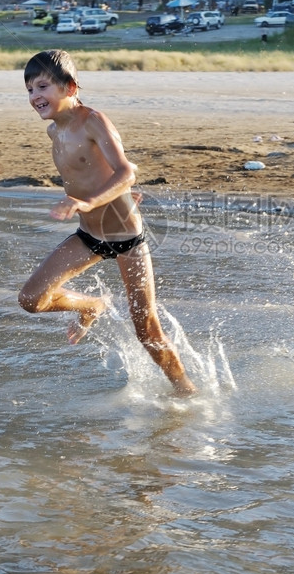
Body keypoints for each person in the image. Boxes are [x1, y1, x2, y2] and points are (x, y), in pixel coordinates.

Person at [17, 49, 196, 396]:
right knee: (31, 299)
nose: (35, 96)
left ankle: (187, 393)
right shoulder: (55, 132)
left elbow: (127, 171)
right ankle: (92, 305)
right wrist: (89, 202)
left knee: (146, 330)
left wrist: (89, 201)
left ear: (70, 87)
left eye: (42, 87)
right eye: (29, 90)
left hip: (127, 237)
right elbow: (88, 173)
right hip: (88, 235)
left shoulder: (93, 120)